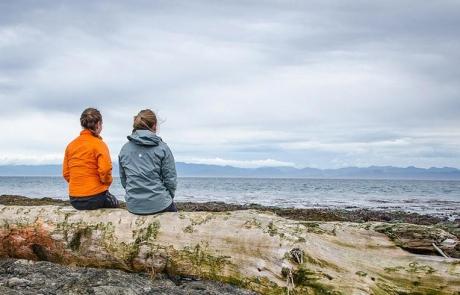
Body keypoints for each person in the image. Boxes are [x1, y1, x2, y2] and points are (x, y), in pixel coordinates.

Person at [118, 109, 177, 215]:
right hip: (160, 203)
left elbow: (124, 180)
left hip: (133, 205)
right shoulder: (163, 148)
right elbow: (170, 180)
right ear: (154, 125)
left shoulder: (124, 149)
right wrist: (167, 198)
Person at [63, 107, 119, 210]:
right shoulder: (99, 144)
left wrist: (79, 184)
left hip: (74, 199)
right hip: (95, 198)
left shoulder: (71, 146)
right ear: (98, 124)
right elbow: (105, 170)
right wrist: (106, 183)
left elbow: (66, 173)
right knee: (115, 203)